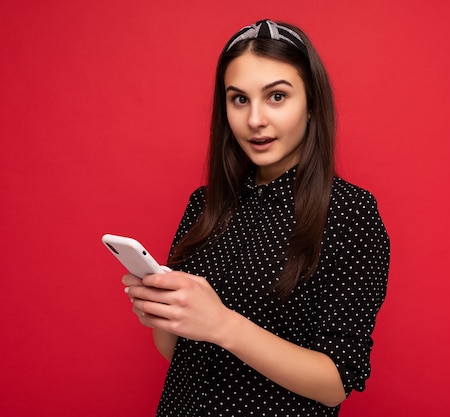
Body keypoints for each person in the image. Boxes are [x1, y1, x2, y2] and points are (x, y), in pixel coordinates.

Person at [122, 19, 390, 416]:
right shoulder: (205, 205)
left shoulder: (351, 213)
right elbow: (177, 353)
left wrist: (223, 325)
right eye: (240, 99)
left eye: (277, 97)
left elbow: (335, 383)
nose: (255, 120)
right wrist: (163, 314)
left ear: (312, 102)